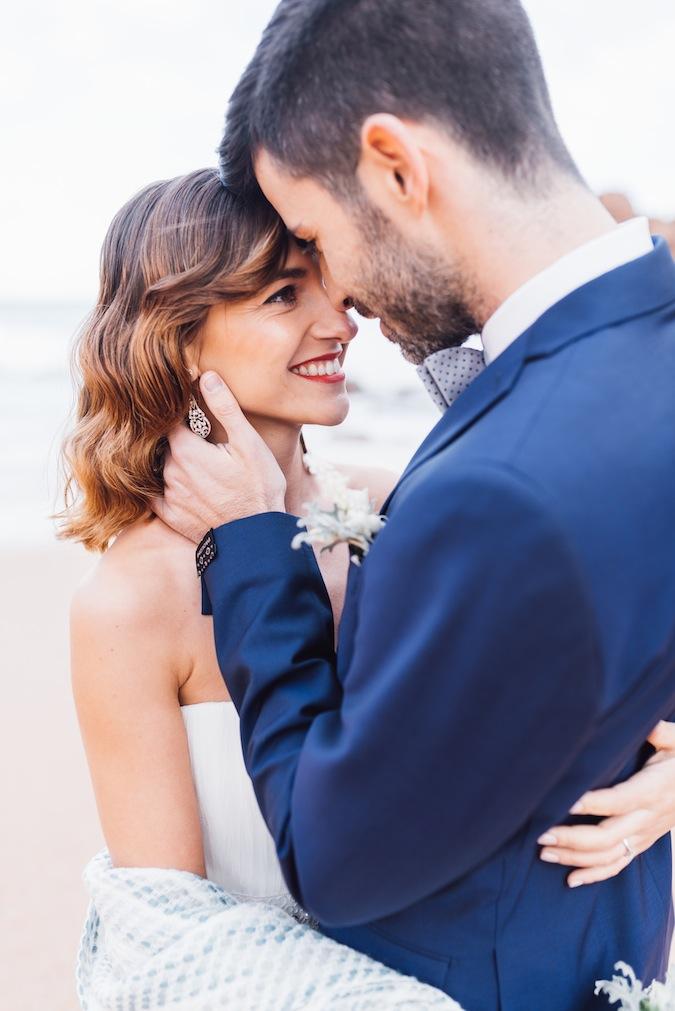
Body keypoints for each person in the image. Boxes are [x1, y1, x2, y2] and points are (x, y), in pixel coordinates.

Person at [153, 1, 675, 1009]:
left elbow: (339, 864)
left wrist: (253, 547)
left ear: (397, 166)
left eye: (315, 235)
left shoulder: (502, 494)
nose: (339, 297)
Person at [61, 168, 460, 1009]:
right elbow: (171, 937)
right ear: (175, 337)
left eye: (329, 283)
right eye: (284, 295)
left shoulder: (396, 507)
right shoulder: (131, 603)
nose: (338, 321)